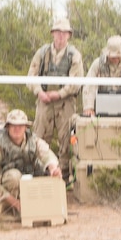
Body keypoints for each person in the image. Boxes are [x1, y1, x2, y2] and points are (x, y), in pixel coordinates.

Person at [26, 17, 84, 177]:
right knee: (40, 137)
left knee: (67, 140)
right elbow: (31, 76)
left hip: (65, 103)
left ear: (69, 35)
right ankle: (41, 172)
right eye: (58, 32)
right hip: (44, 101)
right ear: (53, 33)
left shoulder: (74, 55)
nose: (61, 36)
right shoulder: (42, 52)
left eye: (64, 33)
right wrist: (39, 92)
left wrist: (59, 93)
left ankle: (65, 174)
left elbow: (76, 81)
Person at [0, 109, 61, 217]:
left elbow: (47, 155)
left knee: (50, 174)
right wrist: (16, 203)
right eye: (13, 125)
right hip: (7, 183)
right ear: (8, 127)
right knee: (14, 177)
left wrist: (53, 169)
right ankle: (10, 211)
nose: (17, 129)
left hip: (30, 176)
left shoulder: (33, 141)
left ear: (26, 127)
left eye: (20, 125)